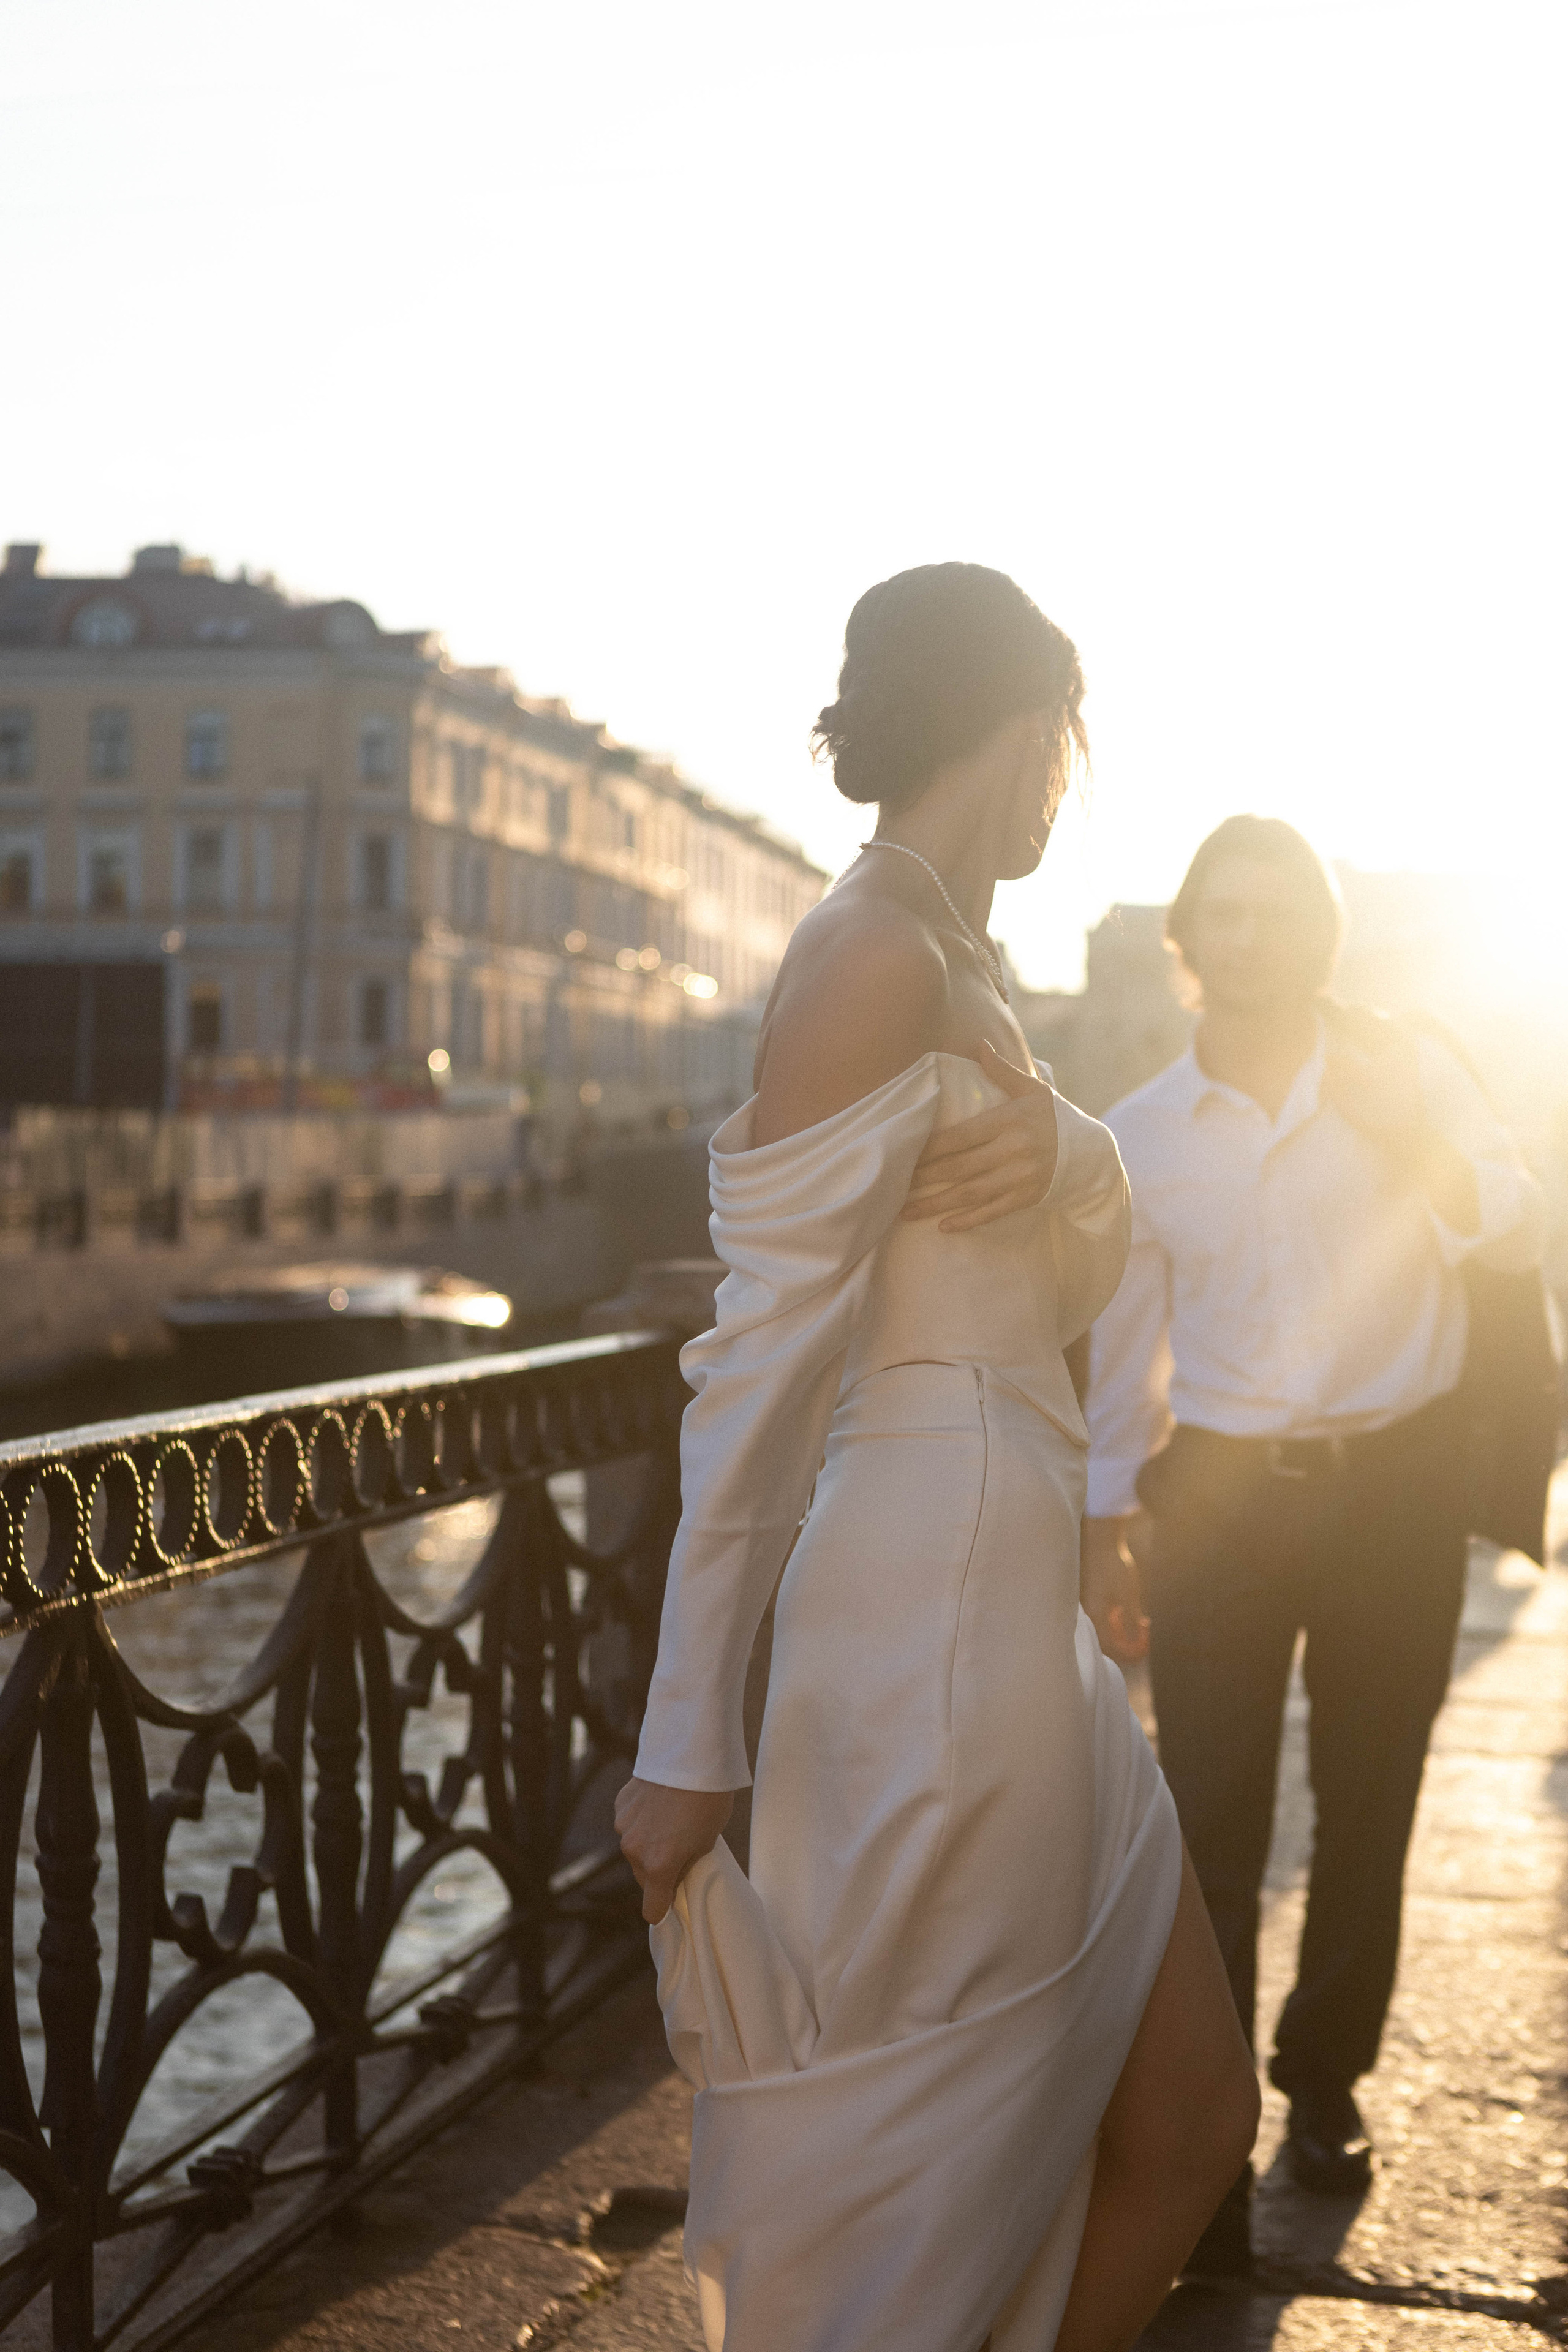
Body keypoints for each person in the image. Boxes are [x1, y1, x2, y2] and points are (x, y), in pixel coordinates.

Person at [616, 564, 1258, 2352]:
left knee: (1198, 2123)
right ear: (1035, 729)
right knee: (926, 2185)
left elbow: (1081, 1269)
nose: (1074, 784)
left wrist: (1065, 1146)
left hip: (1013, 1611)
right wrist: (689, 1742)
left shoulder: (951, 956)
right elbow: (751, 1381)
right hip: (930, 1635)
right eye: (1074, 743)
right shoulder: (873, 958)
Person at [1080, 815, 1547, 2274]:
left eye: (1278, 912)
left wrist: (1405, 1133)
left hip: (1392, 1491)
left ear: (1316, 934)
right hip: (1214, 1497)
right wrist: (1102, 1524)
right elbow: (1121, 1349)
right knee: (1204, 1814)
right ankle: (1204, 2127)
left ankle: (1322, 2086)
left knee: (1368, 1797)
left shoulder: (1403, 1070)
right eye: (1224, 913)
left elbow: (1512, 1226)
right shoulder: (1141, 1131)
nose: (1250, 936)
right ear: (1188, 940)